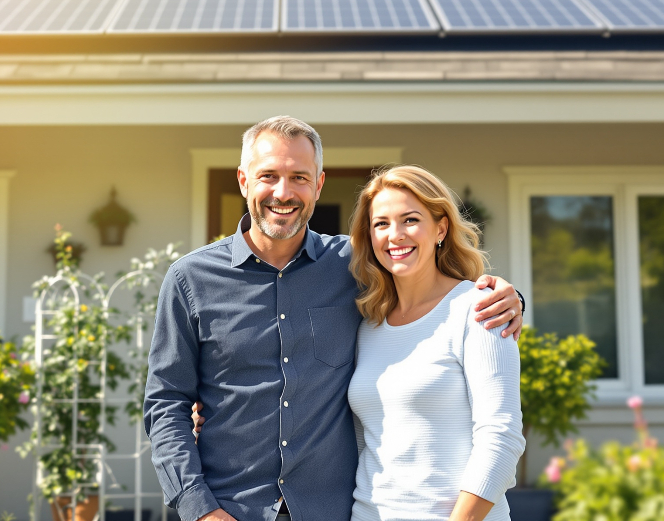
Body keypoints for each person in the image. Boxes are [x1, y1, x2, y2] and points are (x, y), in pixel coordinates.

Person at [144, 116, 524, 521]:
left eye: (299, 177)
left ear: (319, 185)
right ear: (243, 181)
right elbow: (166, 403)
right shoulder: (190, 280)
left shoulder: (354, 265)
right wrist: (199, 508)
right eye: (268, 176)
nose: (283, 192)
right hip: (230, 508)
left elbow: (426, 285)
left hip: (332, 510)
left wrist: (508, 298)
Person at [348, 165, 524, 521]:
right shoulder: (368, 325)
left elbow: (502, 437)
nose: (395, 235)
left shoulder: (478, 309)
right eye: (381, 224)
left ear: (441, 228)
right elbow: (367, 442)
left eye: (410, 220)